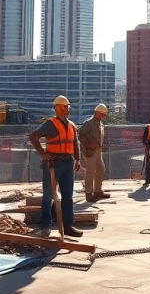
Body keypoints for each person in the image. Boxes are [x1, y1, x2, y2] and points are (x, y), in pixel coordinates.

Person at [30, 95, 83, 237]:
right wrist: (43, 154)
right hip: (54, 163)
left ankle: (68, 226)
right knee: (48, 195)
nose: (68, 109)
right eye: (65, 106)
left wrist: (78, 159)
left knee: (68, 196)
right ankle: (45, 225)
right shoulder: (51, 124)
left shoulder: (71, 125)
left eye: (68, 106)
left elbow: (75, 143)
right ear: (58, 108)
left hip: (68, 162)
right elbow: (34, 137)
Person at [80, 103, 110, 202]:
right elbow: (80, 136)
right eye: (102, 114)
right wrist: (88, 145)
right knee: (91, 171)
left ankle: (97, 190)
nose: (103, 117)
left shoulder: (100, 124)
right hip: (90, 151)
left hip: (98, 151)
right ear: (97, 113)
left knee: (101, 169)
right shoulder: (89, 123)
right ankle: (88, 193)